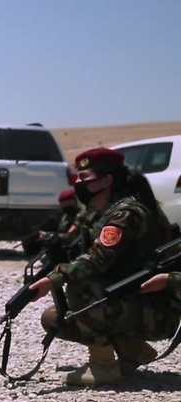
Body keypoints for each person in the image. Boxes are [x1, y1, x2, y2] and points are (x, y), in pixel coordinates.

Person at [29, 148, 178, 386]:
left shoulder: (126, 213)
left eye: (84, 178)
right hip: (132, 300)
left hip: (156, 310)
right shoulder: (99, 214)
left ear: (107, 180)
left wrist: (54, 278)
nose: (78, 183)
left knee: (81, 286)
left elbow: (97, 260)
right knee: (53, 318)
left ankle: (103, 367)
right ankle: (134, 351)